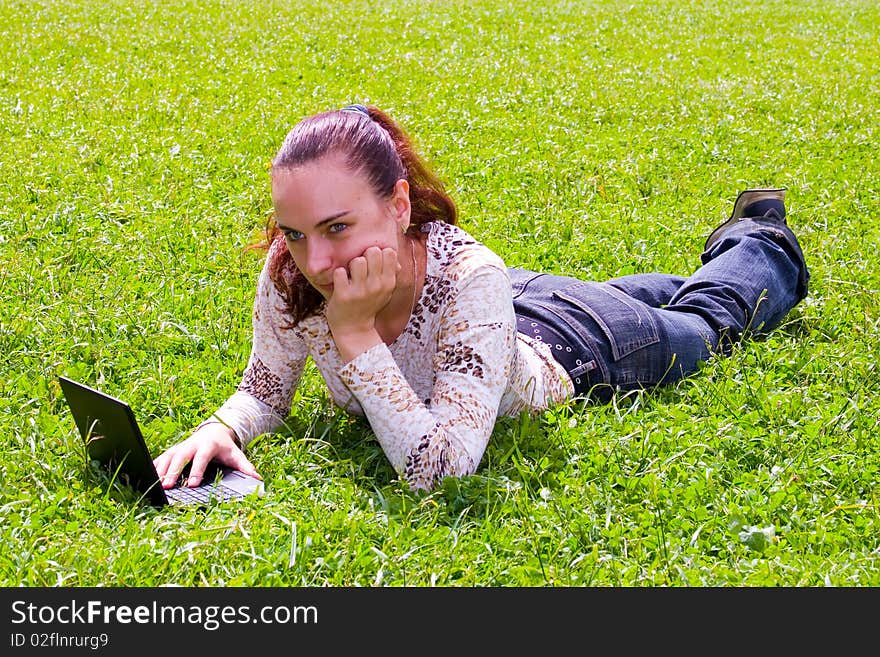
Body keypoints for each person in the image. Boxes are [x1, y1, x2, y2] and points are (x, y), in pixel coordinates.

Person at [153, 104, 810, 492]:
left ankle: (761, 236)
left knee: (705, 322)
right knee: (642, 299)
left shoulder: (472, 277)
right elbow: (267, 388)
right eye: (296, 234)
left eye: (337, 228)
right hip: (502, 312)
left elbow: (442, 468)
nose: (316, 261)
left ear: (398, 204)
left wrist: (354, 335)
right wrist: (223, 426)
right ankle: (682, 276)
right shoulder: (295, 268)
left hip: (569, 346)